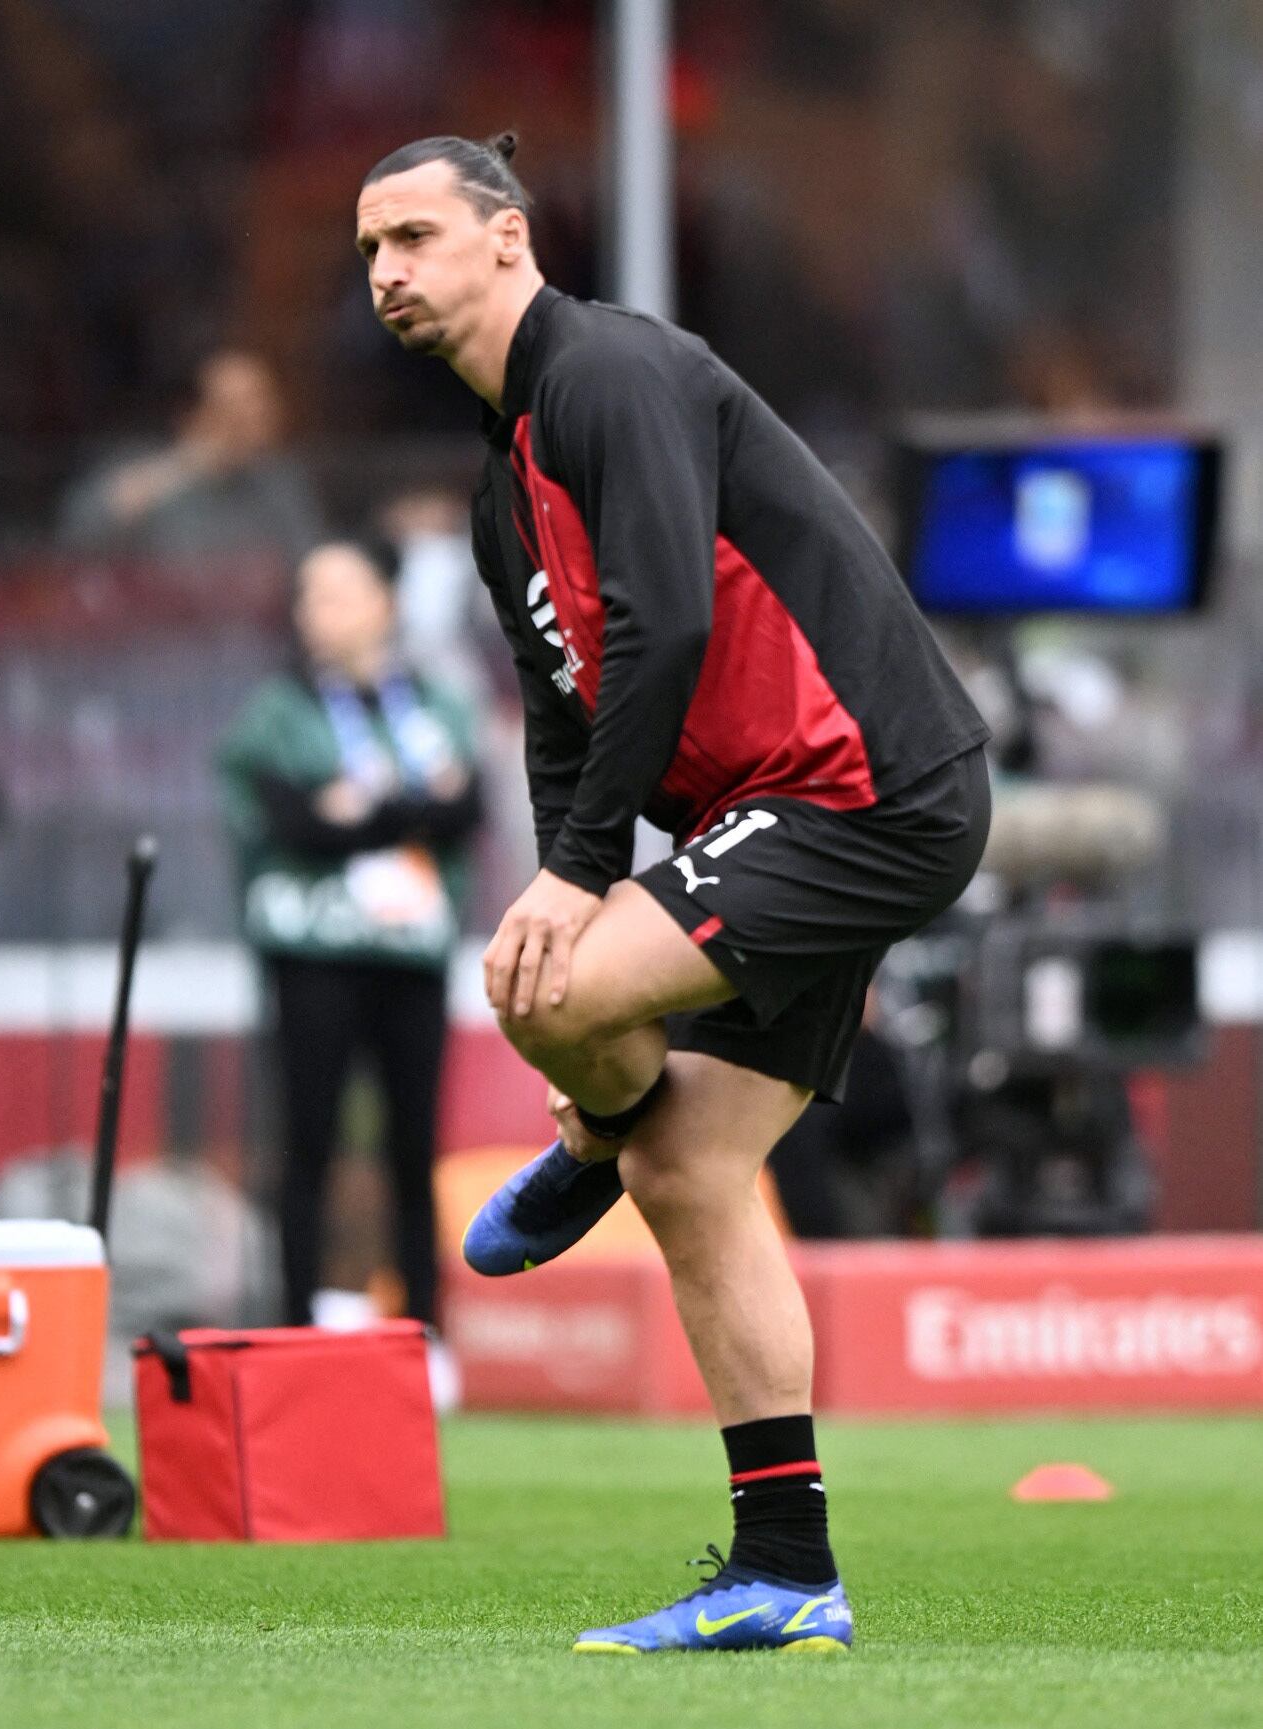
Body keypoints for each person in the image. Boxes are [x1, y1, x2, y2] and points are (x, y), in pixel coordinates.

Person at [354, 132, 990, 1655]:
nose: (385, 273)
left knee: (554, 992)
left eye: (415, 237)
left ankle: (589, 1130)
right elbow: (563, 722)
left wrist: (582, 881)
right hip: (777, 814)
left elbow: (668, 622)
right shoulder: (502, 487)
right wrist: (554, 868)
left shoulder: (610, 374)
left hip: (862, 790)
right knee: (687, 1168)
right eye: (367, 250)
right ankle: (785, 1570)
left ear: (506, 240)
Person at [215, 536, 482, 1353]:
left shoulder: (437, 705)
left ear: (384, 603)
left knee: (414, 1146)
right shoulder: (275, 713)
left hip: (410, 955)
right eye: (307, 594)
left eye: (335, 592)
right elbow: (287, 821)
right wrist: (402, 809)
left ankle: (423, 1335)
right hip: (311, 954)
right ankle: (294, 1325)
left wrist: (354, 812)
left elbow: (462, 813)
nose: (314, 611)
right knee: (307, 1143)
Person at [60, 348, 323, 582]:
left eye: (259, 405)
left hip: (260, 631)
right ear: (192, 414)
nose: (249, 421)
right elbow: (78, 536)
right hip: (162, 629)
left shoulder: (280, 481)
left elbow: (311, 562)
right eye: (232, 410)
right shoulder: (143, 466)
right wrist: (185, 465)